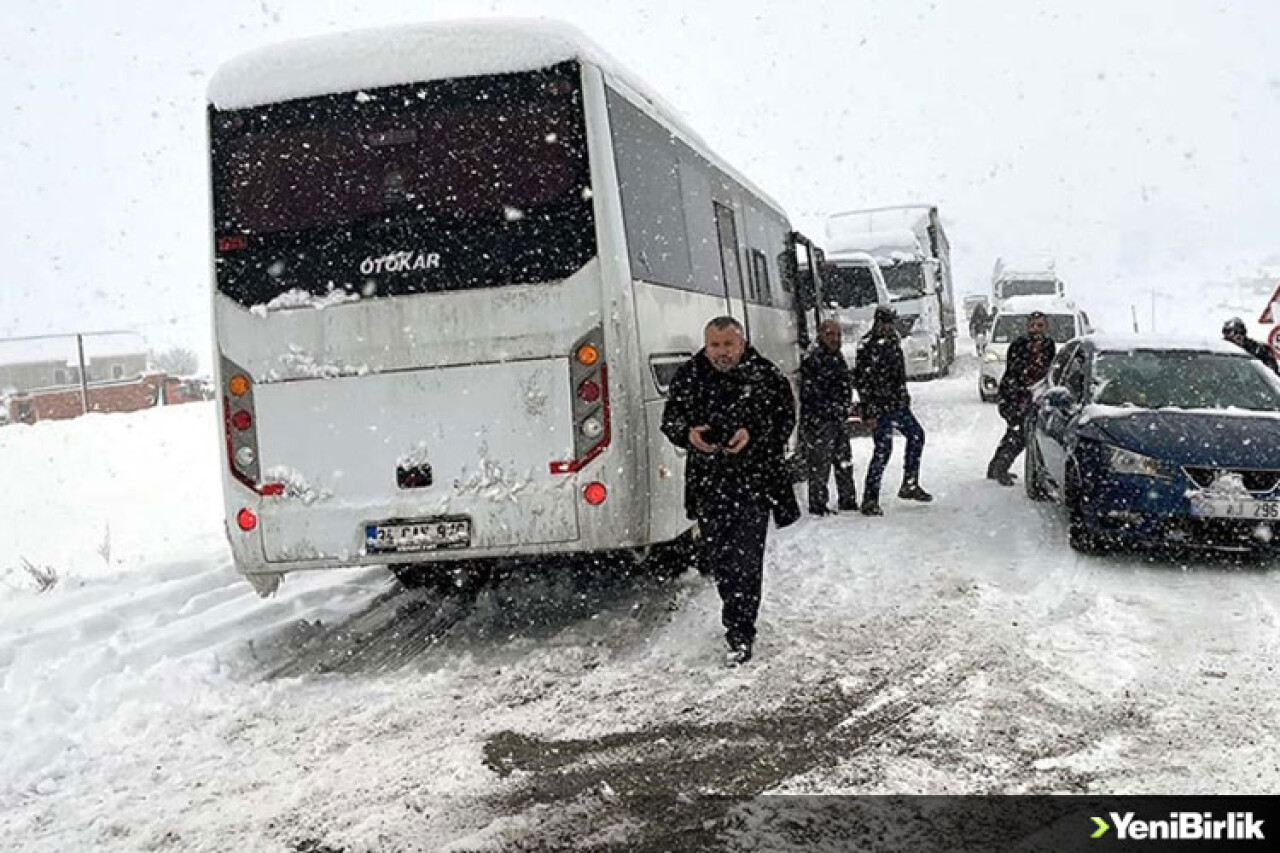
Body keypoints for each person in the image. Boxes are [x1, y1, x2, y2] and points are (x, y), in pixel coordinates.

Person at [660, 316, 796, 666]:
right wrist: (688, 434)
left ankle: (740, 632)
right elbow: (670, 419)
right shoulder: (690, 376)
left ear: (742, 343)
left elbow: (785, 420)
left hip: (753, 482)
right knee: (721, 561)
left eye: (727, 345)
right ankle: (734, 611)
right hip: (709, 484)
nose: (721, 353)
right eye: (714, 345)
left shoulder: (765, 376)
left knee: (746, 561)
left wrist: (753, 433)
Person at [852, 305, 932, 516]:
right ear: (878, 322)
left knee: (916, 436)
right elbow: (863, 381)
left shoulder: (891, 342)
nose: (888, 326)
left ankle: (909, 483)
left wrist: (903, 396)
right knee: (883, 450)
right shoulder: (868, 346)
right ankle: (870, 499)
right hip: (880, 407)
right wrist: (868, 411)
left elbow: (897, 375)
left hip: (896, 404)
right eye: (886, 322)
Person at [986, 311, 1056, 486]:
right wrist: (1019, 392)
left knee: (1015, 432)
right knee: (1018, 433)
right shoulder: (1019, 345)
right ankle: (1001, 468)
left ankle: (996, 467)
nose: (1036, 329)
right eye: (1033, 325)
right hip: (1013, 395)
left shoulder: (1049, 345)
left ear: (1046, 327)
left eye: (1040, 325)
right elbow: (1014, 371)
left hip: (1033, 394)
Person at [801, 319, 858, 515]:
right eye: (830, 334)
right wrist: (831, 409)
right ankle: (818, 504)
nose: (835, 339)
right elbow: (811, 394)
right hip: (820, 420)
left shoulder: (836, 357)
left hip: (837, 418)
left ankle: (848, 500)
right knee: (820, 464)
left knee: (843, 460)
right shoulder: (815, 359)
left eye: (838, 335)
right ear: (821, 335)